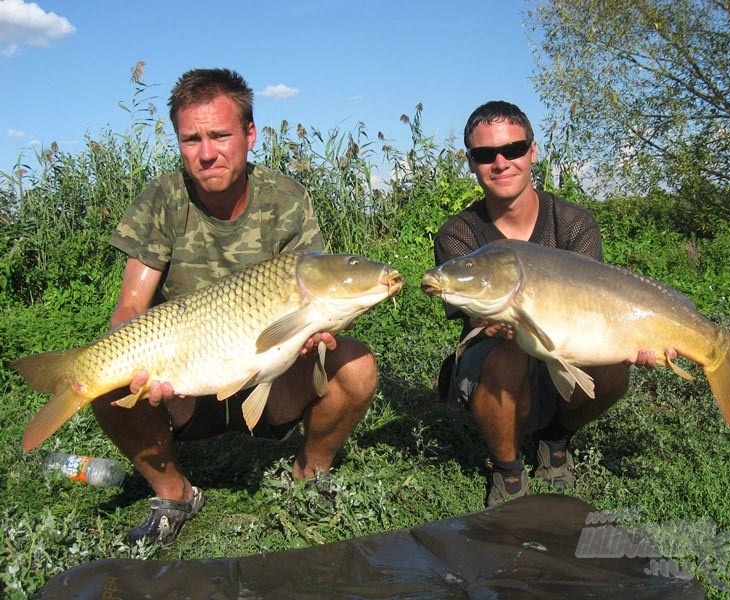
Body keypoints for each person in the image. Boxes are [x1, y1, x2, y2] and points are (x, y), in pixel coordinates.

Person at [93, 68, 378, 544]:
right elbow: (128, 310)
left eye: (220, 135)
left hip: (272, 367)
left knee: (358, 367)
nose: (206, 153)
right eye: (191, 139)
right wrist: (134, 367)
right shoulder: (163, 199)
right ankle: (174, 493)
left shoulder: (287, 199)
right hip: (187, 373)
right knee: (101, 375)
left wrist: (317, 336)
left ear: (250, 134)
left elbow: (317, 285)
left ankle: (310, 474)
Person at [433, 100, 671, 507]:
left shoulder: (574, 222)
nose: (501, 162)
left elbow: (598, 307)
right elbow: (477, 317)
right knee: (506, 351)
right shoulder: (458, 234)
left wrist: (634, 341)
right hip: (493, 357)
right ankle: (508, 470)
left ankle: (555, 439)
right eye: (485, 155)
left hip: (566, 346)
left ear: (533, 152)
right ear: (472, 164)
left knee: (614, 361)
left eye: (513, 149)